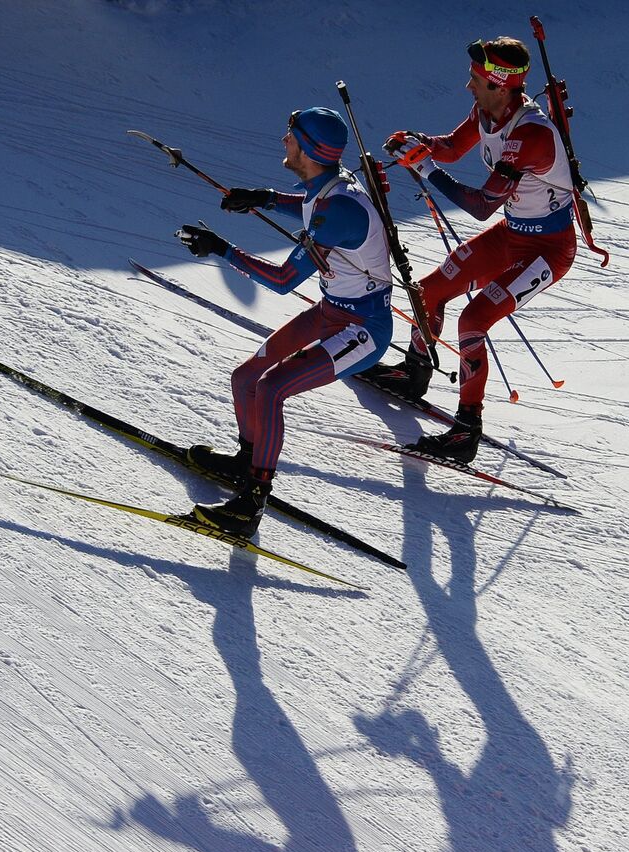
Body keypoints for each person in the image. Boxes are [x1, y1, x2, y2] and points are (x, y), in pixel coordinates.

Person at [175, 106, 393, 537]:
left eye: (289, 135)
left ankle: (252, 503)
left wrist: (222, 249)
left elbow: (282, 280)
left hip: (362, 330)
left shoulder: (340, 210)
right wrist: (265, 197)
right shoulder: (327, 185)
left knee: (272, 387)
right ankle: (247, 459)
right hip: (333, 312)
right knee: (246, 378)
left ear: (308, 148)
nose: (283, 141)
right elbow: (311, 205)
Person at [362, 36, 577, 463]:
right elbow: (453, 146)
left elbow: (481, 206)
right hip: (513, 233)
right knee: (428, 290)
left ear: (500, 84)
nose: (468, 86)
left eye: (476, 78)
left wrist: (425, 166)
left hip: (547, 251)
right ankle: (414, 371)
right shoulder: (488, 110)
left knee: (473, 319)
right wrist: (419, 143)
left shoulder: (530, 134)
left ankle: (466, 430)